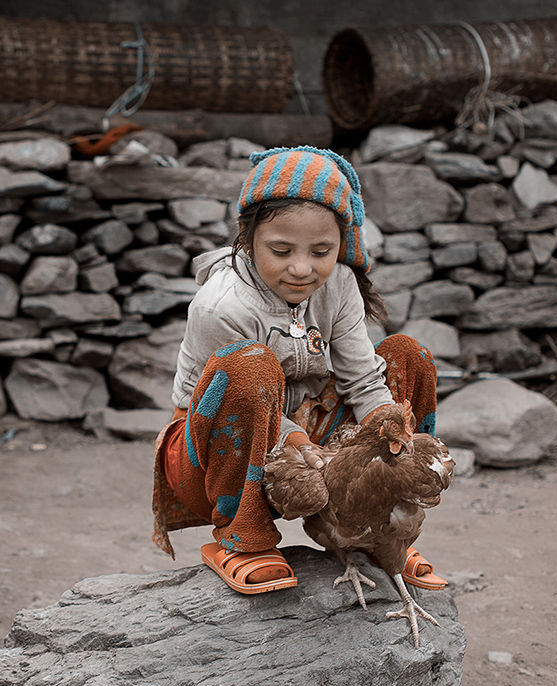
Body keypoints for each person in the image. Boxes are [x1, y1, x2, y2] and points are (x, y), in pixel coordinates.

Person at [151, 145, 447, 594]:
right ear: (247, 240)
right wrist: (303, 447)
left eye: (322, 250)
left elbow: (363, 380)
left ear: (340, 245)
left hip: (313, 444)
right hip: (217, 450)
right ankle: (242, 537)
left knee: (410, 356)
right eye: (282, 249)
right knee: (250, 366)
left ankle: (380, 533)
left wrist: (393, 436)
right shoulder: (221, 306)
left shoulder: (340, 284)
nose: (303, 268)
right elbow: (224, 401)